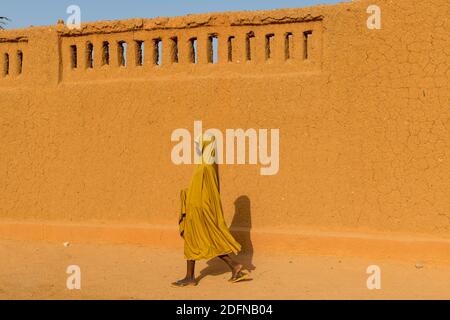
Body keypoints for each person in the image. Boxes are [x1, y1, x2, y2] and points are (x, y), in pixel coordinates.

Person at [172, 133, 248, 287]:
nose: (197, 147)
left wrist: (191, 201)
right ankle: (233, 266)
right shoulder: (208, 165)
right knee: (205, 241)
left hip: (198, 212)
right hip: (198, 210)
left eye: (200, 144)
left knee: (197, 241)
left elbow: (204, 195)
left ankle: (190, 277)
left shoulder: (205, 167)